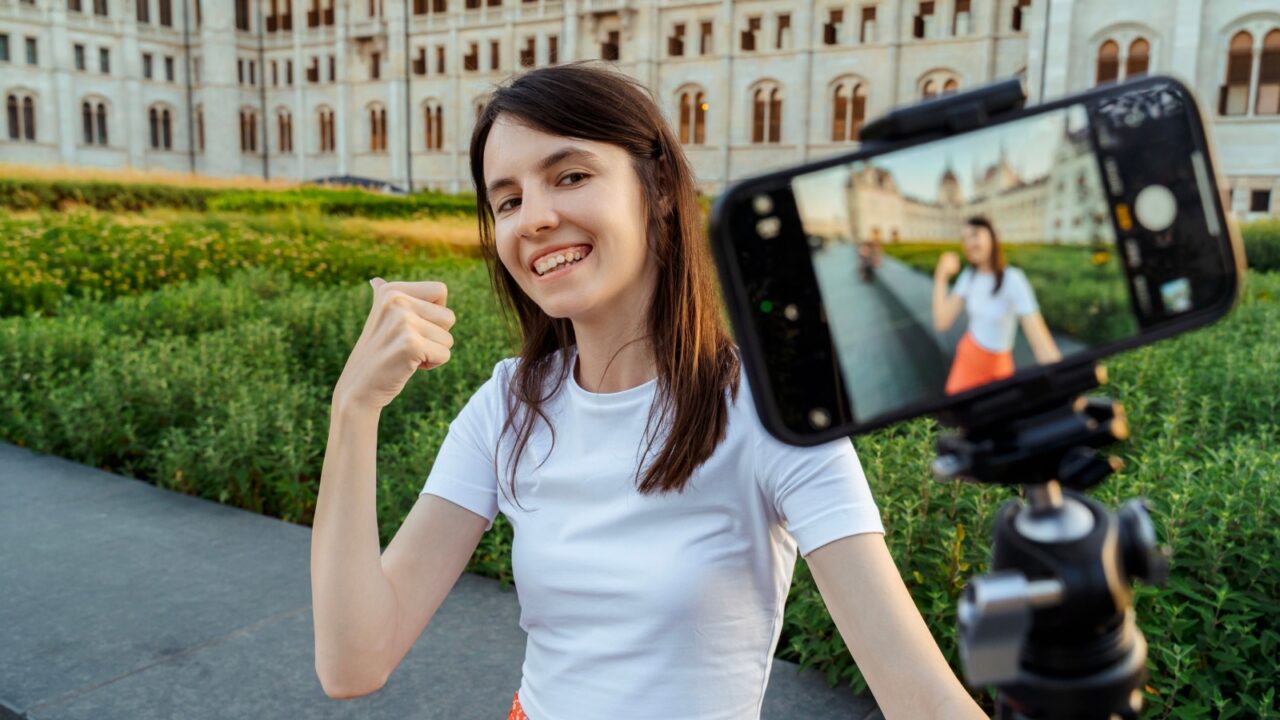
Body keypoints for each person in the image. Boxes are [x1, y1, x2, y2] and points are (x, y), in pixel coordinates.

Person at [312, 62, 986, 720]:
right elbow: (354, 663)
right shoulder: (507, 407)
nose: (535, 219)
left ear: (659, 185)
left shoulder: (768, 408)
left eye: (569, 176)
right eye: (508, 200)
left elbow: (921, 697)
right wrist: (354, 408)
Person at [933, 216, 1063, 395]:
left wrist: (1065, 382)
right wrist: (941, 275)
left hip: (998, 367)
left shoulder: (1013, 279)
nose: (969, 243)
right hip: (967, 358)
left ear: (992, 236)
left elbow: (1041, 343)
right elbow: (942, 322)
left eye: (975, 234)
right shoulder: (969, 276)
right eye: (964, 238)